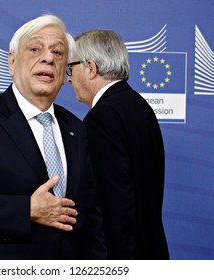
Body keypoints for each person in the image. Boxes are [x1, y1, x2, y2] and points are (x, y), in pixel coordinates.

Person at [0, 15, 106, 260]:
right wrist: (26, 210)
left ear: (66, 71)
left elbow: (92, 219)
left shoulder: (76, 128)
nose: (48, 58)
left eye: (58, 53)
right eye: (35, 49)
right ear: (12, 62)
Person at [67, 29, 169, 259]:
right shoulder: (138, 106)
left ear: (91, 68)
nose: (68, 79)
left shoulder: (102, 119)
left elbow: (113, 204)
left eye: (71, 68)